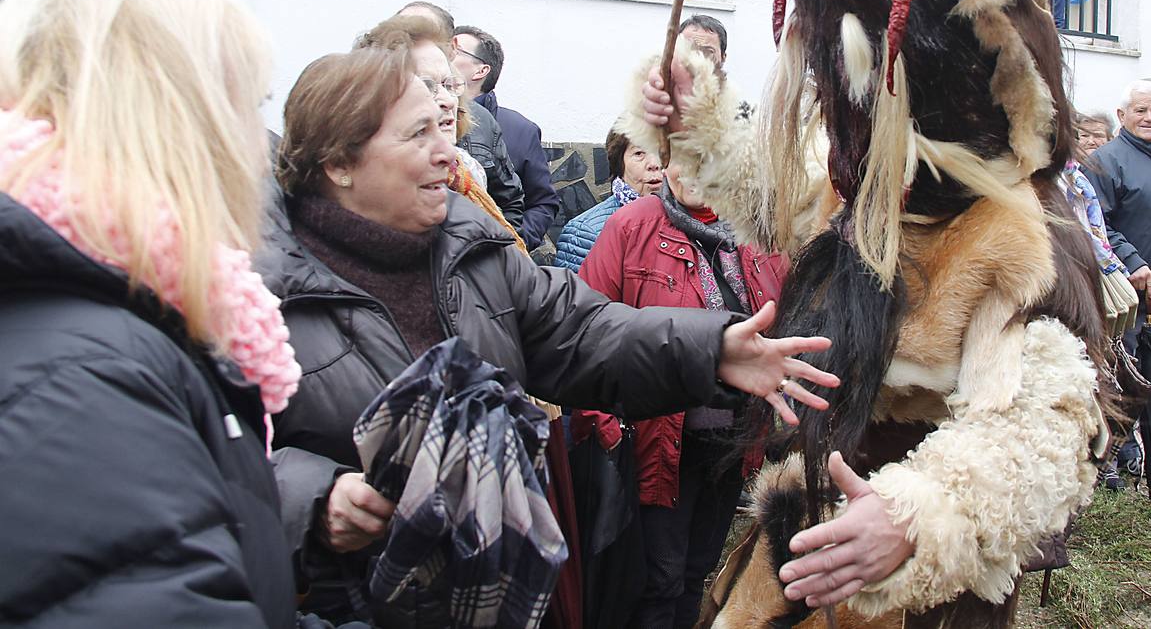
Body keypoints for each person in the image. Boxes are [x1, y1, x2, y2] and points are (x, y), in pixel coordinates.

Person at [630, 0, 1111, 626]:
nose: (829, 95)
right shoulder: (865, 189)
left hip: (905, 585)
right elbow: (774, 204)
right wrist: (696, 118)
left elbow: (1046, 427)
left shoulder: (1017, 234)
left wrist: (920, 515)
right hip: (802, 535)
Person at [258, 44, 838, 624]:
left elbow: (583, 330)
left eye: (445, 128)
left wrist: (712, 349)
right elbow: (203, 457)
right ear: (339, 163)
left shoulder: (471, 243)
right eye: (418, 136)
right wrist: (315, 498)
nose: (447, 153)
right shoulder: (254, 293)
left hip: (501, 592)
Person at [0, 0, 301, 626]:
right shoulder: (87, 377)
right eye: (249, 106)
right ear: (182, 119)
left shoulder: (99, 323)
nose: (261, 145)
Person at [576, 162, 787, 629]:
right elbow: (585, 330)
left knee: (696, 570)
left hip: (731, 442)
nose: (689, 169)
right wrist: (608, 428)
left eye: (704, 154)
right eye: (677, 154)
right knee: (659, 580)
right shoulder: (633, 226)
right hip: (656, 441)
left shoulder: (757, 227)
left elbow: (783, 310)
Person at [1083, 80, 1151, 481]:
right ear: (1122, 116)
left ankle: (1133, 451)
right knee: (1116, 373)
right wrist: (1132, 260)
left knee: (1144, 372)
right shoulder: (1107, 162)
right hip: (1125, 294)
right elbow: (1098, 226)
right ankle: (1105, 458)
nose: (1150, 118)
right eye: (1141, 111)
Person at [360, 8, 528, 239]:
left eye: (449, 85)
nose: (448, 100)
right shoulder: (370, 195)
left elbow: (511, 203)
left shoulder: (468, 169)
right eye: (427, 85)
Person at [453, 25, 559, 250]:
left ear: (481, 71)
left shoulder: (521, 130)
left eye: (456, 51)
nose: (446, 54)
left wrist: (515, 244)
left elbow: (542, 202)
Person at [554, 126, 663, 273]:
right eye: (639, 153)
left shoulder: (689, 219)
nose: (654, 164)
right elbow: (578, 294)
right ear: (619, 163)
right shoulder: (584, 233)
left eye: (662, 152)